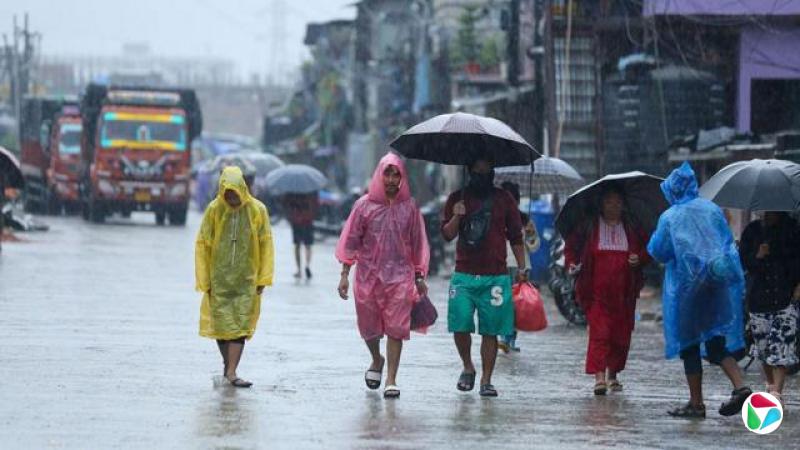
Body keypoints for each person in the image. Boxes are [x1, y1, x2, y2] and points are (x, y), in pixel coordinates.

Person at [648, 162, 751, 418]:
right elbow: (725, 242)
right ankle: (741, 386)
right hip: (715, 285)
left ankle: (696, 403)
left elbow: (659, 251)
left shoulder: (670, 217)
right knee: (716, 341)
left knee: (690, 346)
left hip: (687, 291)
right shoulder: (712, 209)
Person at [336, 152, 429, 399]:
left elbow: (418, 243)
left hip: (400, 277)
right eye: (387, 173)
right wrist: (345, 274)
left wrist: (419, 275)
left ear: (402, 177)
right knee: (369, 327)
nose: (391, 179)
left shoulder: (410, 207)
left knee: (396, 327)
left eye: (396, 174)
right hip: (368, 276)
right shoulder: (363, 206)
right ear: (379, 175)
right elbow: (351, 241)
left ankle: (391, 379)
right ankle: (377, 358)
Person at [441, 157, 528, 397]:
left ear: (493, 172)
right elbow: (446, 235)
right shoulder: (456, 198)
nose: (482, 175)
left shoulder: (504, 199)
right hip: (464, 275)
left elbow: (516, 236)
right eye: (477, 171)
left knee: (491, 330)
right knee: (459, 323)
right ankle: (468, 366)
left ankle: (486, 380)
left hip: (496, 276)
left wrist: (522, 268)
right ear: (469, 172)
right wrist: (457, 216)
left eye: (487, 170)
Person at [564, 185, 650, 395]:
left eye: (618, 202)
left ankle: (613, 375)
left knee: (620, 336)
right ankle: (599, 377)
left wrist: (639, 258)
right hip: (596, 292)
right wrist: (572, 263)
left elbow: (649, 249)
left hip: (624, 294)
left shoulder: (632, 227)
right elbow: (571, 248)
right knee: (600, 333)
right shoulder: (589, 226)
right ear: (601, 204)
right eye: (609, 201)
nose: (613, 206)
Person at [195, 166, 274, 388]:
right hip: (219, 279)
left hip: (246, 279)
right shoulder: (214, 210)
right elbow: (203, 244)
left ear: (242, 188)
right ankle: (228, 364)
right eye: (227, 194)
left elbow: (266, 244)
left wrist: (263, 278)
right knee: (221, 326)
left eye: (234, 193)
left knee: (240, 325)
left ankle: (231, 372)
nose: (231, 199)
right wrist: (204, 279)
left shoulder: (258, 210)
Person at [739, 211, 800, 406]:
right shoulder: (753, 231)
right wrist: (758, 255)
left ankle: (776, 393)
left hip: (785, 298)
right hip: (759, 300)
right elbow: (744, 263)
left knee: (782, 345)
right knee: (763, 348)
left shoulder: (793, 231)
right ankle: (771, 385)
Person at [498, 181, 540, 353]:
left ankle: (510, 339)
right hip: (500, 266)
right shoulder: (496, 218)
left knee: (516, 304)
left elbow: (534, 246)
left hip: (520, 267)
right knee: (502, 303)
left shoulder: (525, 220)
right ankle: (504, 337)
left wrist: (530, 235)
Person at [283, 192, 319, 279]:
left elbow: (287, 203)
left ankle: (299, 270)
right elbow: (316, 205)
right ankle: (307, 265)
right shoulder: (311, 190)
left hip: (296, 220)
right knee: (308, 246)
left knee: (297, 246)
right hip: (308, 220)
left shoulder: (293, 190)